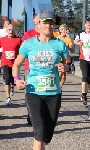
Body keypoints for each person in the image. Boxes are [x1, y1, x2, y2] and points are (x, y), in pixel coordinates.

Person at [12, 11, 71, 150]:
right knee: (39, 133)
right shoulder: (28, 44)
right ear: (38, 25)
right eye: (45, 23)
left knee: (46, 136)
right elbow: (16, 64)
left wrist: (67, 67)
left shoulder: (60, 45)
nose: (48, 26)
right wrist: (16, 79)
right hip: (33, 92)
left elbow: (70, 65)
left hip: (54, 94)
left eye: (51, 23)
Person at [74, 18, 90, 106]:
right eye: (88, 25)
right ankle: (84, 96)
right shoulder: (80, 33)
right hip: (83, 58)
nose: (89, 26)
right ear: (85, 25)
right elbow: (75, 41)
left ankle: (87, 87)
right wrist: (78, 42)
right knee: (84, 76)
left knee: (89, 77)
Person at [22, 13, 40, 125]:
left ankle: (40, 115)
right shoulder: (28, 34)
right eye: (38, 18)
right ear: (34, 21)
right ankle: (31, 115)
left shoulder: (48, 34)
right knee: (31, 91)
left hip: (44, 68)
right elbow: (24, 51)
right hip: (30, 67)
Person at [0, 24, 21, 105]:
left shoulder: (18, 40)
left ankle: (12, 87)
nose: (10, 31)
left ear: (14, 30)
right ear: (6, 30)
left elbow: (24, 49)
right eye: (9, 29)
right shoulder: (2, 39)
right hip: (5, 62)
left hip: (15, 64)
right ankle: (8, 98)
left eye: (12, 29)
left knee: (13, 80)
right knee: (7, 79)